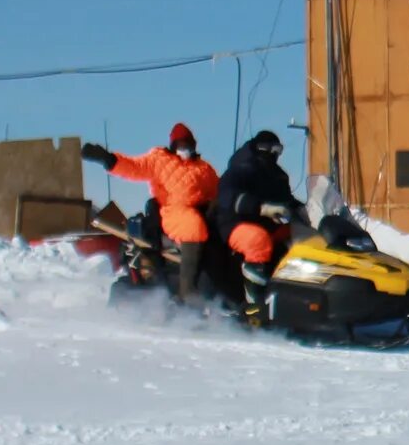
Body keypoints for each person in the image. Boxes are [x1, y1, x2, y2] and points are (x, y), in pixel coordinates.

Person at [84, 124, 220, 303]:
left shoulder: (204, 168)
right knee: (192, 226)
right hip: (173, 211)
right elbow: (134, 167)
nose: (184, 149)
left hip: (202, 211)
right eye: (180, 144)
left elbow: (219, 191)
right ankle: (188, 292)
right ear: (172, 145)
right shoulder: (160, 159)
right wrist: (109, 160)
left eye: (188, 145)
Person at [215, 130, 304, 319]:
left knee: (301, 238)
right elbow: (227, 196)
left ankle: (297, 296)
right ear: (259, 148)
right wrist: (260, 207)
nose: (274, 154)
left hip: (268, 224)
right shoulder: (241, 169)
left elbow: (286, 199)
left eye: (278, 150)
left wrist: (304, 209)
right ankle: (254, 306)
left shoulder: (279, 176)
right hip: (235, 222)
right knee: (258, 241)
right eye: (270, 149)